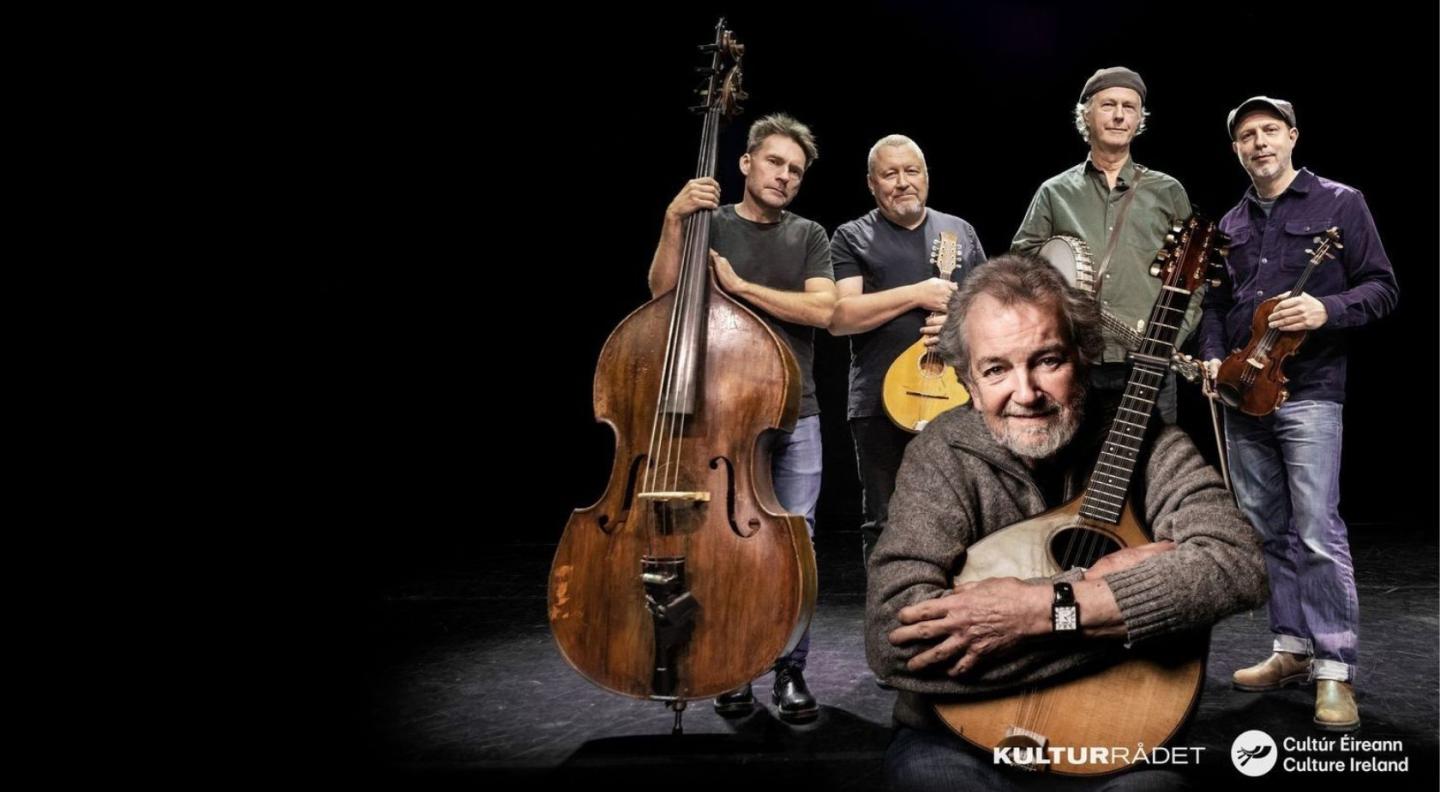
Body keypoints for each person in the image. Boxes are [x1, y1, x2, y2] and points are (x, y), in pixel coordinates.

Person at [866, 253, 1266, 789]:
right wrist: (1123, 608)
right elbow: (895, 639)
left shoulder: (1148, 440)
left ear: (1084, 355)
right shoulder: (940, 454)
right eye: (996, 369)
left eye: (1048, 360)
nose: (1026, 393)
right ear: (968, 381)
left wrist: (1038, 611)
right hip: (956, 739)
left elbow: (1236, 566)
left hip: (1124, 732)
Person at [1198, 96, 1398, 732]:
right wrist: (1208, 359)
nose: (1259, 143)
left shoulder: (1341, 203)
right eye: (1247, 136)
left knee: (1316, 529)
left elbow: (1382, 286)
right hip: (1240, 394)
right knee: (1267, 531)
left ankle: (1334, 670)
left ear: (1292, 137)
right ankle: (1291, 649)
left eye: (1269, 131)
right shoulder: (1228, 223)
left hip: (1309, 390)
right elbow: (1211, 307)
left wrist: (1325, 311)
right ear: (1236, 149)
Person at [649, 113, 836, 724]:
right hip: (721, 420)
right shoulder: (709, 223)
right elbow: (661, 297)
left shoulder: (809, 234)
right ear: (746, 163)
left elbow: (823, 309)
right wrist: (674, 219)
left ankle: (790, 670)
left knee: (795, 546)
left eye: (795, 171)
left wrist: (740, 287)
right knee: (725, 550)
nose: (784, 176)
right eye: (775, 163)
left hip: (795, 414)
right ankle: (735, 671)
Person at [829, 134, 986, 565]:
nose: (902, 182)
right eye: (890, 173)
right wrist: (918, 293)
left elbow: (990, 315)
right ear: (871, 183)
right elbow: (841, 317)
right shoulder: (851, 236)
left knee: (960, 514)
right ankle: (889, 621)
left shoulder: (959, 232)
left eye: (911, 171)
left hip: (954, 398)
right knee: (884, 519)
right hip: (877, 400)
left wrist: (957, 318)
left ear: (926, 176)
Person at [1012, 66, 1195, 423]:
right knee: (1075, 471)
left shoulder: (1168, 191)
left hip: (1147, 362)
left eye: (1129, 107)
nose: (1118, 115)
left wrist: (1173, 334)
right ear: (1086, 115)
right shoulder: (1055, 192)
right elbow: (1021, 264)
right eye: (1108, 104)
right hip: (1077, 358)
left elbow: (1194, 277)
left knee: (1156, 469)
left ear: (1139, 118)